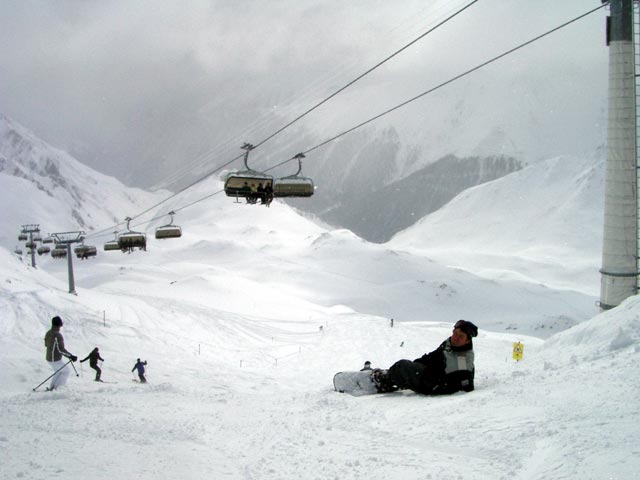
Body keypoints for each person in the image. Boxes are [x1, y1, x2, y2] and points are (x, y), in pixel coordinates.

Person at [372, 320, 478, 395]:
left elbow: (466, 386)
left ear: (468, 340)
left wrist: (436, 385)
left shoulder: (462, 360)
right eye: (455, 333)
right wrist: (420, 362)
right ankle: (394, 377)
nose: (455, 338)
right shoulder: (450, 343)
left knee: (402, 365)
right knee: (409, 366)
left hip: (433, 384)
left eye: (461, 336)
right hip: (431, 374)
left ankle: (383, 383)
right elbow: (435, 355)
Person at [44, 315, 77, 391]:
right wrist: (71, 356)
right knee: (66, 371)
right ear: (59, 325)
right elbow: (61, 349)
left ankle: (52, 387)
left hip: (49, 358)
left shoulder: (48, 333)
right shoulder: (58, 335)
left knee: (58, 371)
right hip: (54, 359)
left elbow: (46, 344)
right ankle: (58, 388)